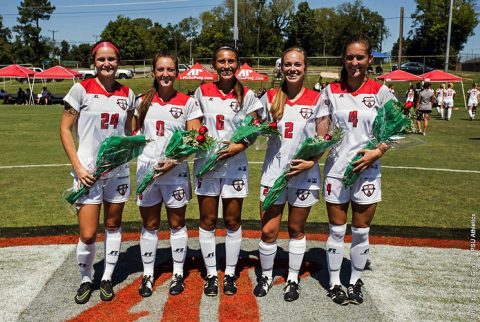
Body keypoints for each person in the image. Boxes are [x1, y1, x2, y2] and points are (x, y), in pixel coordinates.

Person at [319, 34, 395, 305]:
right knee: (337, 231)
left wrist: (377, 151)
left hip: (368, 171)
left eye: (360, 57)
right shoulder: (330, 91)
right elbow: (321, 133)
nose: (354, 62)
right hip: (337, 172)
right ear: (343, 59)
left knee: (361, 231)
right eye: (349, 57)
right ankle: (335, 282)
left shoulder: (381, 91)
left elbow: (397, 129)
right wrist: (313, 147)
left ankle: (354, 281)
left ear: (369, 59)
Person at [60, 40, 135, 304]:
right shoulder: (80, 89)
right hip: (88, 173)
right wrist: (79, 167)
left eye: (111, 59)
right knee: (88, 233)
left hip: (117, 172)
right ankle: (85, 278)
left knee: (113, 225)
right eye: (102, 59)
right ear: (94, 62)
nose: (107, 64)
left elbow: (131, 133)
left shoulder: (128, 93)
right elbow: (65, 130)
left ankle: (107, 277)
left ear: (118, 62)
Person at [193, 45, 263, 296]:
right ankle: (211, 274)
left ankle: (230, 273)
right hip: (207, 165)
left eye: (231, 61)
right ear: (214, 65)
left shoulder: (248, 94)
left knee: (232, 221)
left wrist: (239, 145)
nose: (226, 66)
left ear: (238, 64)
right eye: (221, 61)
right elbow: (193, 127)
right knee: (208, 220)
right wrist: (198, 141)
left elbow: (256, 128)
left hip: (235, 166)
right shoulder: (202, 91)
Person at [254, 47, 322, 302]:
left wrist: (311, 162)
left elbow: (325, 138)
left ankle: (293, 278)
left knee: (296, 229)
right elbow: (253, 127)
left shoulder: (318, 98)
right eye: (288, 64)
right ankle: (266, 275)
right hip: (273, 174)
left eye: (297, 64)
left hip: (304, 176)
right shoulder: (270, 96)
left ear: (305, 67)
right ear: (281, 67)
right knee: (268, 231)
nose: (292, 69)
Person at [134, 52, 203, 297]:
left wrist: (173, 161)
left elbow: (194, 140)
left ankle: (177, 274)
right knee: (150, 224)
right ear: (154, 72)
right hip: (147, 171)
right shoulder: (141, 100)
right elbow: (132, 135)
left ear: (177, 72)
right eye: (161, 69)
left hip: (175, 172)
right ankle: (148, 274)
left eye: (170, 70)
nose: (165, 74)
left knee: (176, 224)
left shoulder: (188, 102)